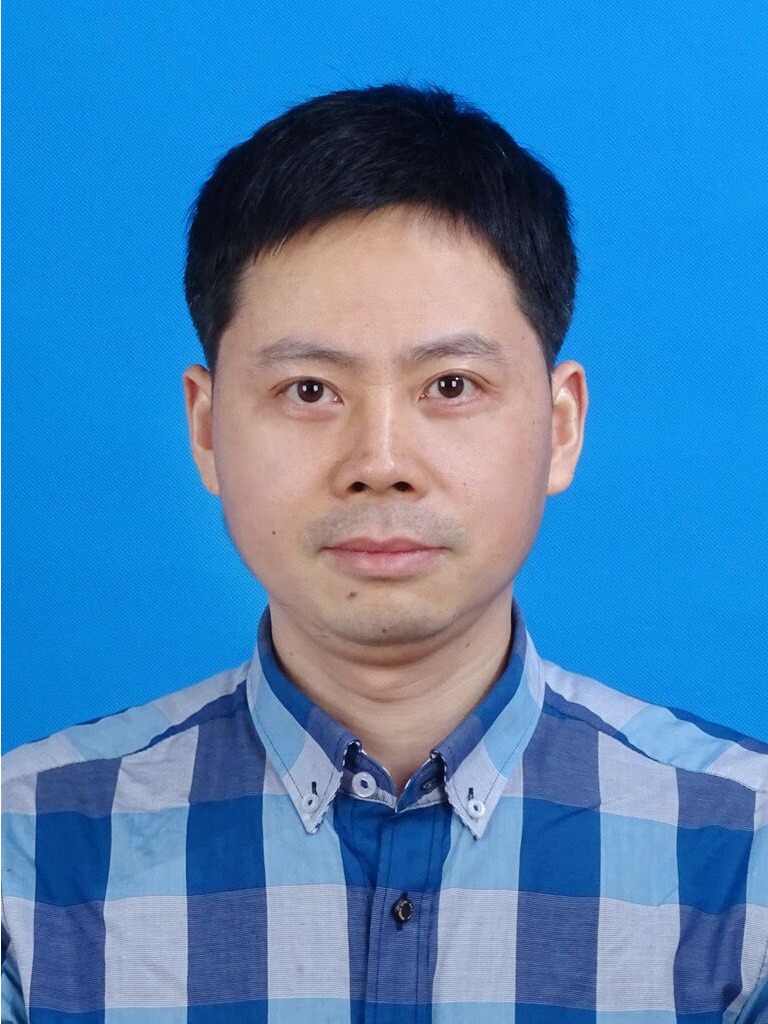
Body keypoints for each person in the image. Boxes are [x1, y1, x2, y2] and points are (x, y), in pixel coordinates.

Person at [3, 83, 766, 1023]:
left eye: (451, 384)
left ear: (562, 426)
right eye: (310, 390)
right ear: (204, 428)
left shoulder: (746, 858)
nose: (380, 463)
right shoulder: (26, 857)